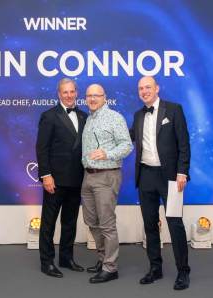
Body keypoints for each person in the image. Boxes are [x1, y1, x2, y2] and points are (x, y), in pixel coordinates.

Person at [129, 76, 191, 290]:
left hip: (171, 177)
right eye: (140, 88)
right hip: (145, 175)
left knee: (175, 223)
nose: (144, 91)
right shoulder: (137, 115)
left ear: (157, 88)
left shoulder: (174, 110)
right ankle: (155, 268)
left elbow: (184, 142)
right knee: (150, 224)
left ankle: (183, 271)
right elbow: (126, 138)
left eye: (148, 87)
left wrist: (183, 171)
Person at [36, 78, 88, 278]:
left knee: (70, 222)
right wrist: (46, 175)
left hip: (77, 179)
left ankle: (66, 258)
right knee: (48, 223)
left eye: (72, 91)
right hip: (54, 181)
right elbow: (42, 149)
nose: (69, 95)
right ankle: (46, 262)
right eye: (65, 92)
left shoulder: (84, 116)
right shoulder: (49, 116)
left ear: (76, 93)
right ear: (59, 94)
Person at [81, 84, 133, 283]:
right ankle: (102, 259)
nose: (92, 99)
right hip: (88, 176)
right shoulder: (89, 119)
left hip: (106, 175)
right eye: (89, 96)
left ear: (105, 97)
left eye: (97, 95)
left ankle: (111, 268)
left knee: (106, 224)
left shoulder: (114, 118)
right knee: (92, 222)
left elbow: (127, 145)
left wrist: (107, 153)